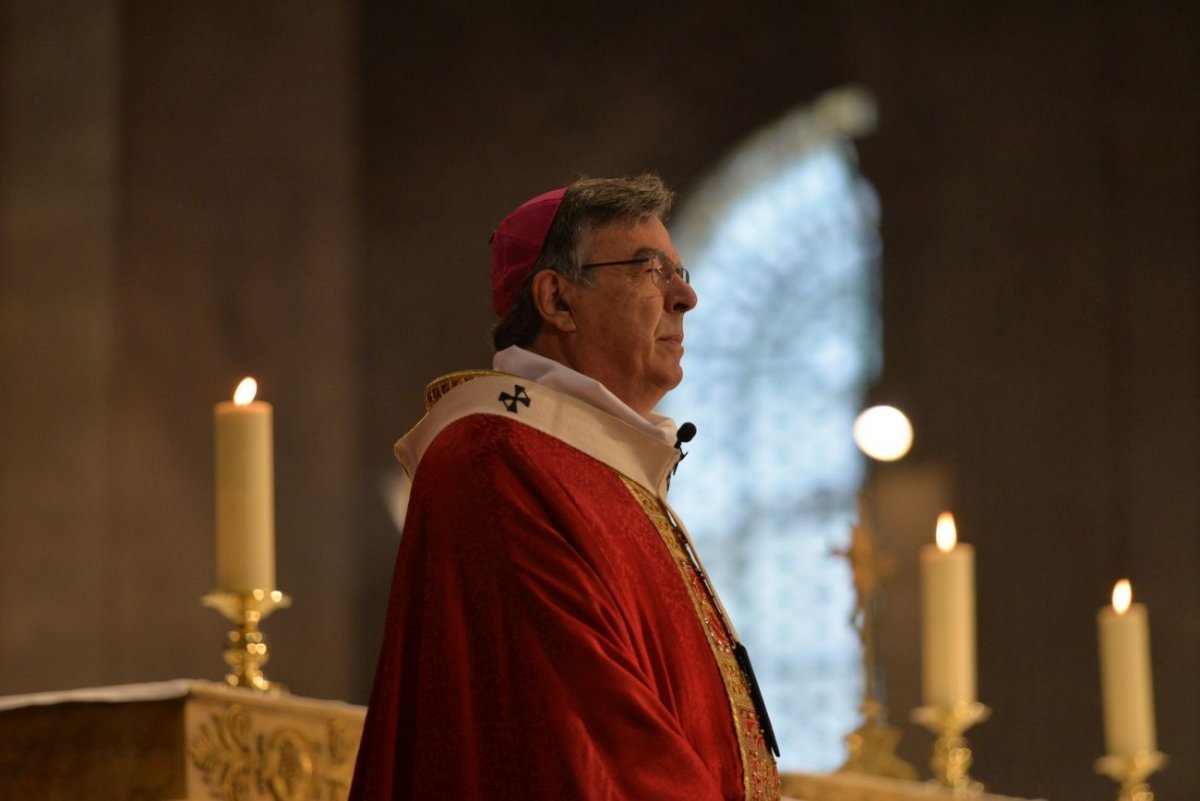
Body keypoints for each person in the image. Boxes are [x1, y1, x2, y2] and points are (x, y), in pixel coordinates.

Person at [349, 175, 781, 800]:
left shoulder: (597, 465)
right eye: (651, 270)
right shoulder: (497, 458)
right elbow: (593, 736)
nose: (685, 296)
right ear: (557, 300)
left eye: (681, 272)